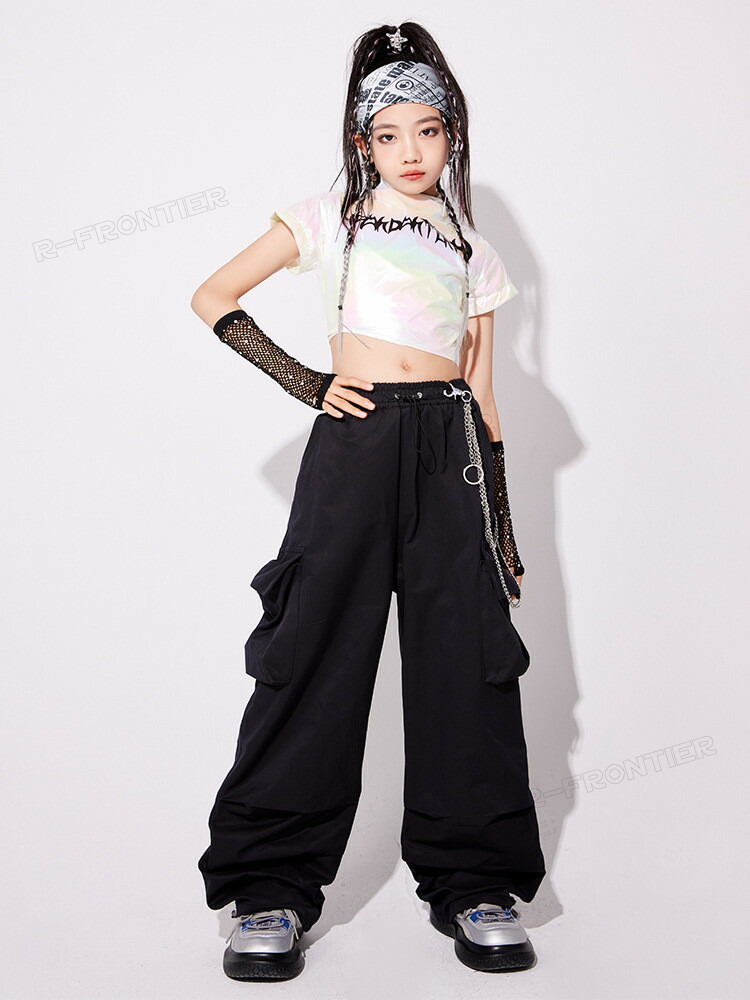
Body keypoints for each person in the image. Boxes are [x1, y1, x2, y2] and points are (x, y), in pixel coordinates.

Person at [191, 21, 546, 982]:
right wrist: (307, 383)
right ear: (363, 142)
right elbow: (213, 294)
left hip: (450, 453)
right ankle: (268, 887)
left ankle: (476, 881)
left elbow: (484, 394)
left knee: (467, 661)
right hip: (355, 443)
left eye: (427, 132)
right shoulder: (328, 219)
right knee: (311, 650)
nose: (411, 151)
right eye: (390, 135)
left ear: (451, 136)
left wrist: (502, 530)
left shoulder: (471, 245)